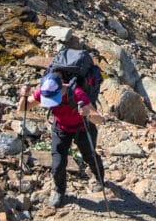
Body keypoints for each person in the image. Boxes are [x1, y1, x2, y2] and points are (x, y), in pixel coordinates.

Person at [20, 70, 105, 208]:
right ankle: (60, 191)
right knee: (57, 164)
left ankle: (100, 179)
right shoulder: (44, 91)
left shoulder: (77, 93)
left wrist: (88, 112)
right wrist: (23, 96)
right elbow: (23, 108)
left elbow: (99, 119)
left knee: (89, 156)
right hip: (61, 129)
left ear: (61, 89)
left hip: (82, 128)